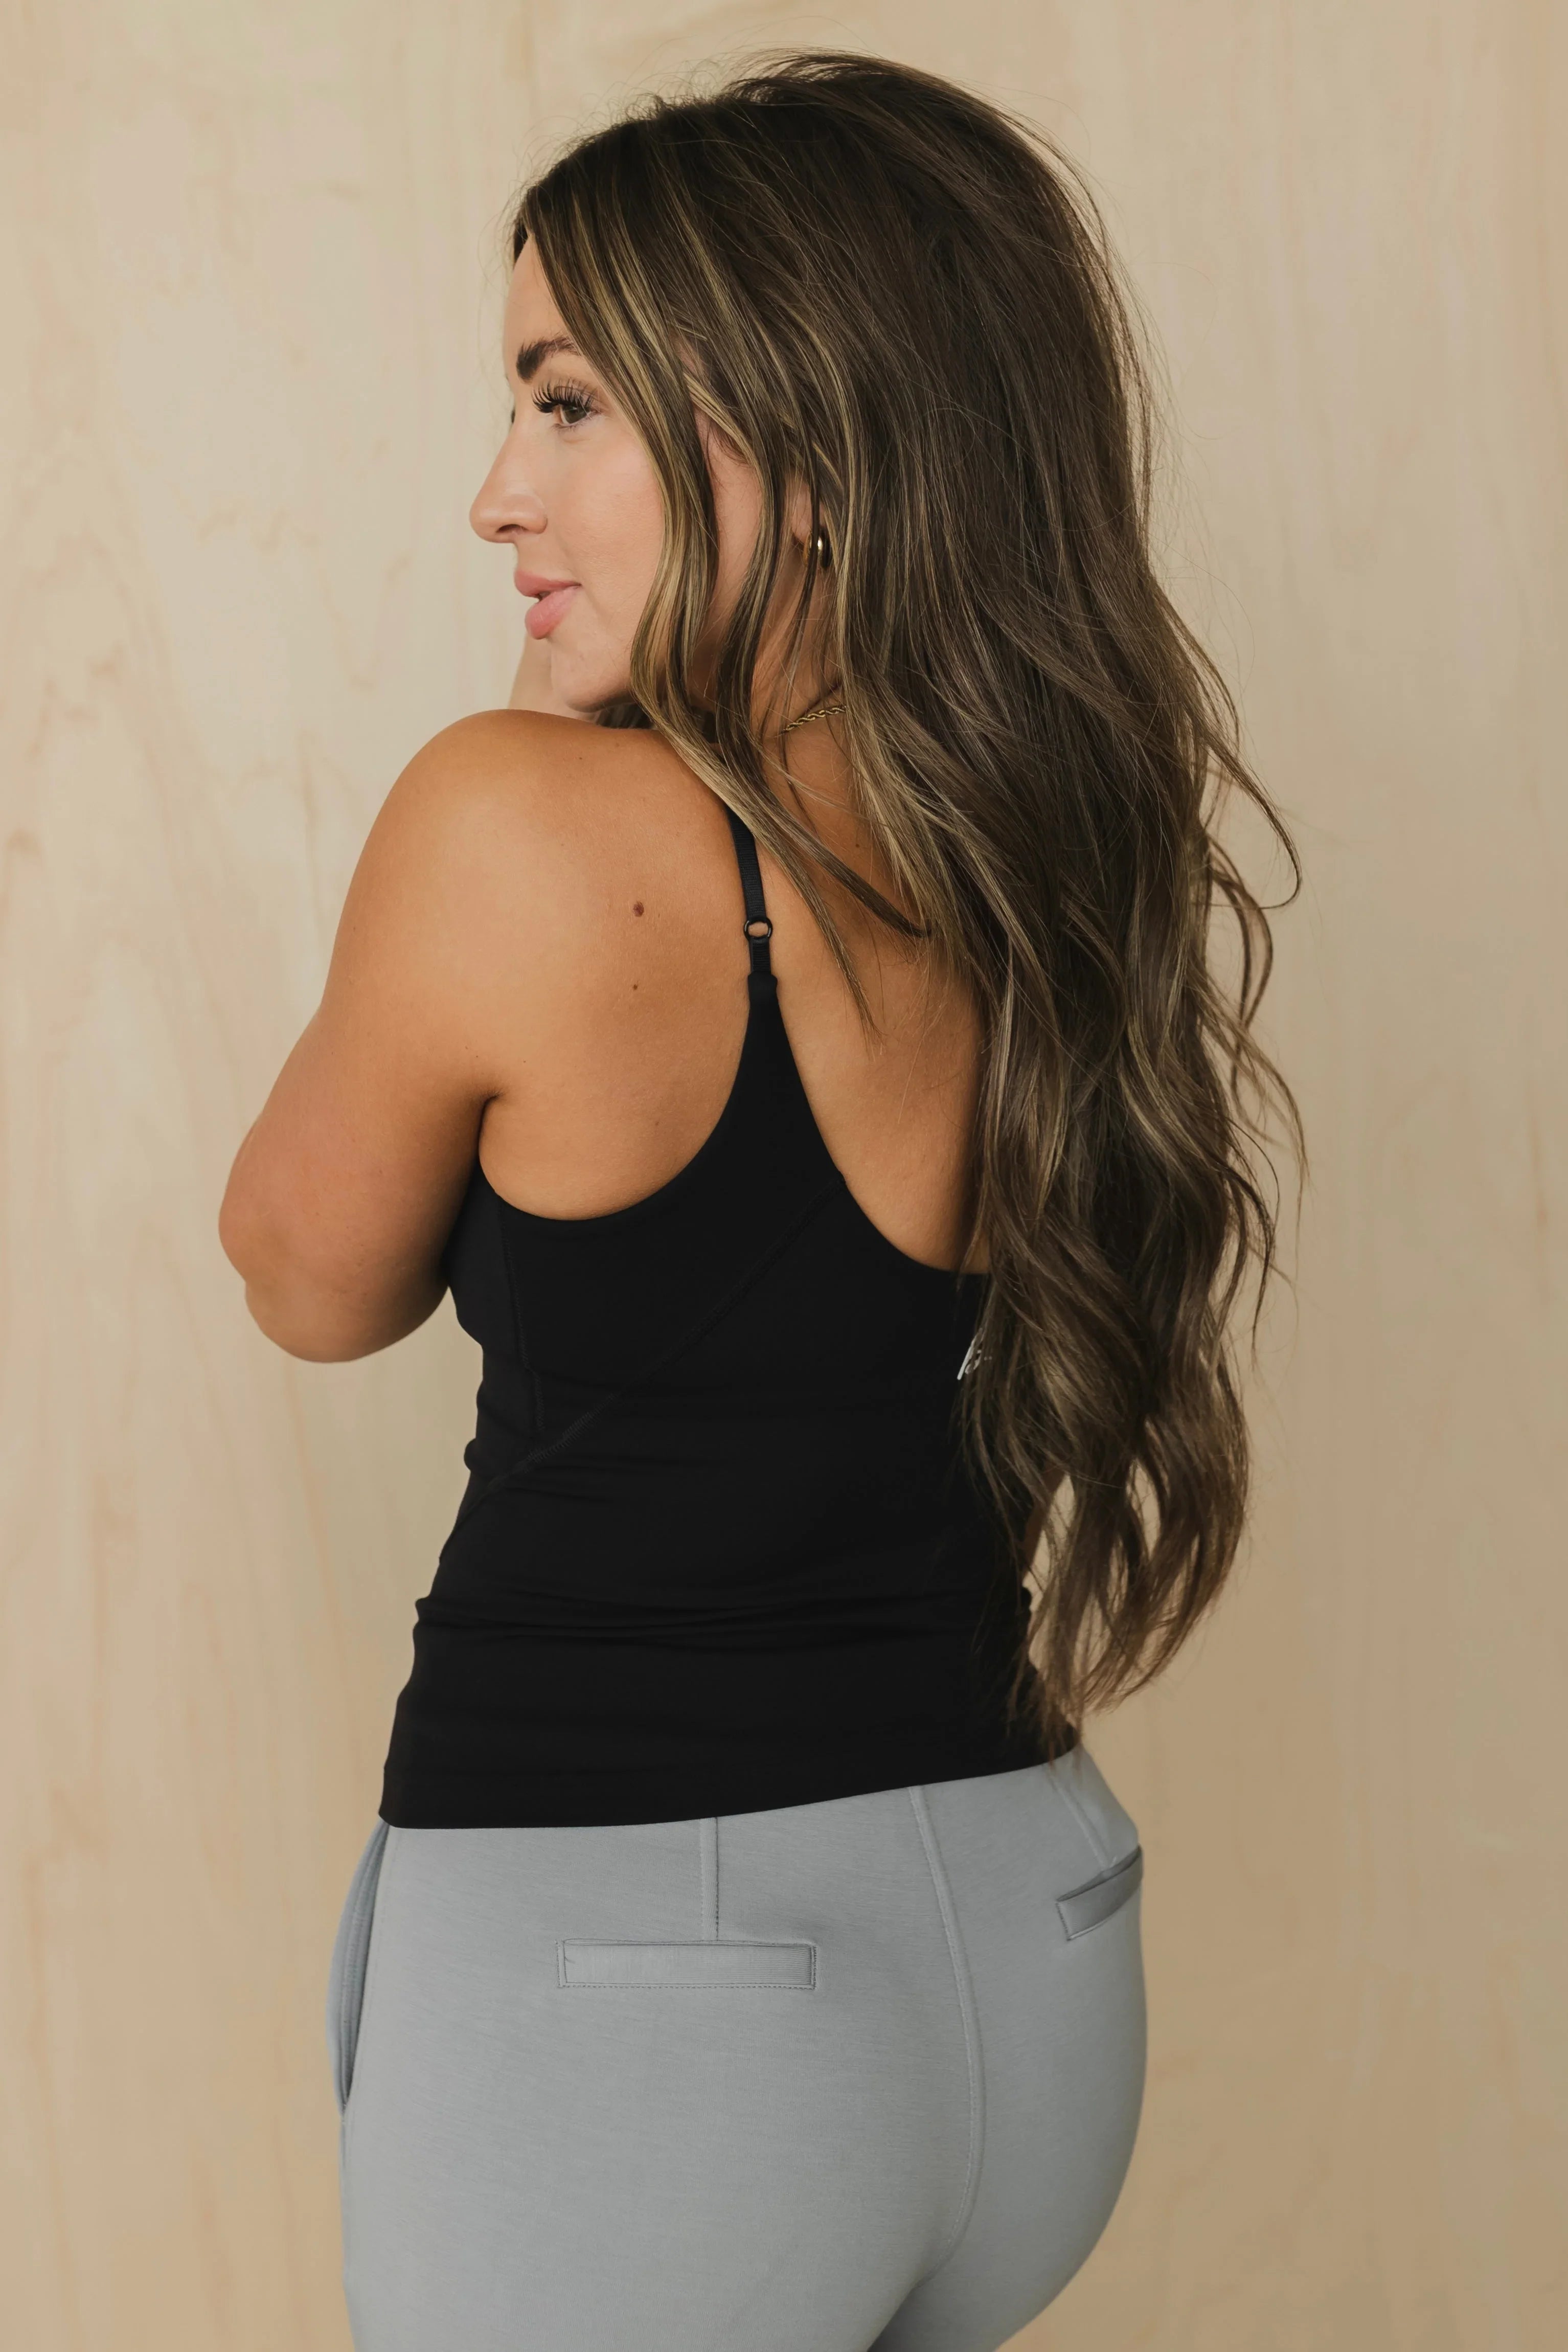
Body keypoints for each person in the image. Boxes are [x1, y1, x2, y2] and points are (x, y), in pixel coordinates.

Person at [219, 50, 1299, 2352]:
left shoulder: (516, 824)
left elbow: (304, 1274)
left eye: (568, 401)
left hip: (648, 2006)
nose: (498, 491)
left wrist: (557, 751)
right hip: (1024, 1949)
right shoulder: (1044, 854)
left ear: (801, 450)